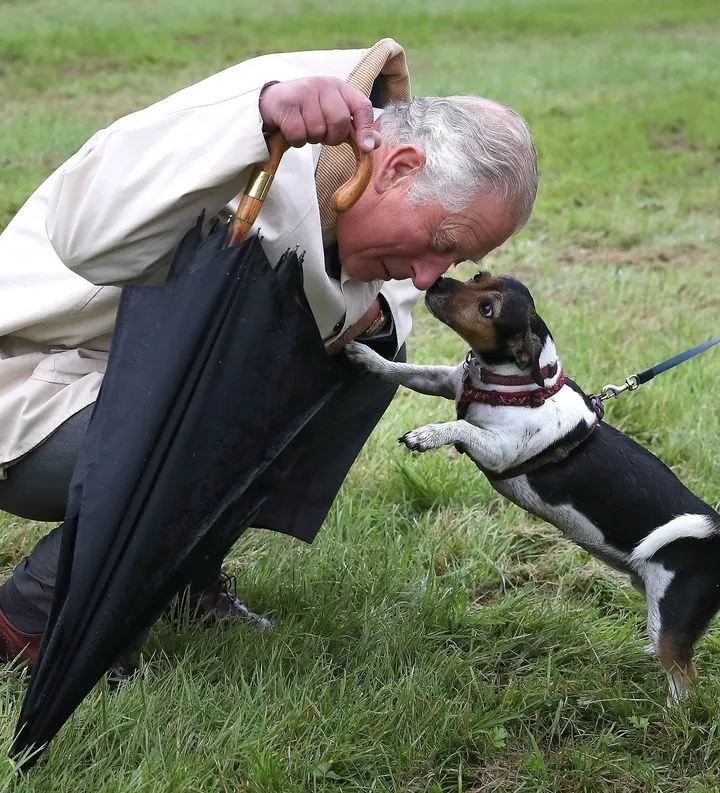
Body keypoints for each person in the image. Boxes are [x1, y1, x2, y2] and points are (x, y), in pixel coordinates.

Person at [0, 38, 537, 666]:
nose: (428, 276)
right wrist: (253, 121)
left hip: (129, 389)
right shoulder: (271, 112)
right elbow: (85, 234)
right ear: (398, 168)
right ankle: (29, 616)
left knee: (366, 365)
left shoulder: (368, 163)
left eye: (453, 260)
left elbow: (372, 302)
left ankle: (173, 567)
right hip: (28, 384)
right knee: (240, 395)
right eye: (439, 242)